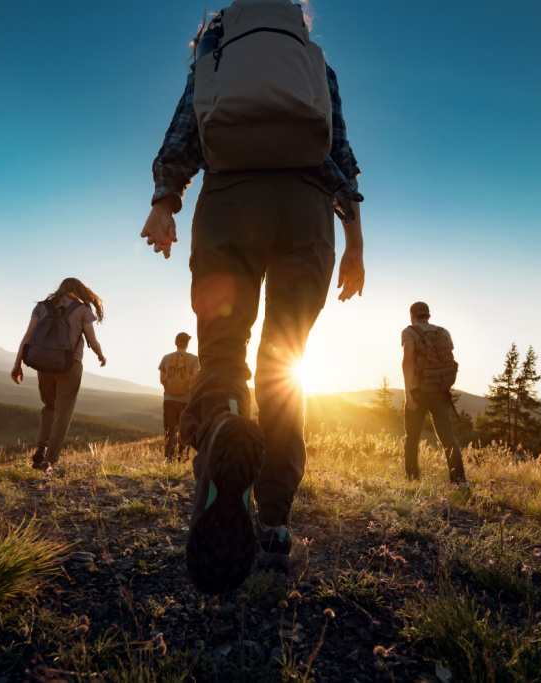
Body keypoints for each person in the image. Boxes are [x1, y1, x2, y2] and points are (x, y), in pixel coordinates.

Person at [140, 0, 365, 593]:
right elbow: (339, 154)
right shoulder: (313, 63)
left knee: (220, 351)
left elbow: (187, 127)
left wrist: (165, 200)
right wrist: (355, 245)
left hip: (229, 204)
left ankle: (219, 426)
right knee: (283, 365)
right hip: (307, 214)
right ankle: (273, 528)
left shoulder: (216, 52)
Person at [11, 278, 106, 471]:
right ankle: (50, 460)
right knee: (64, 412)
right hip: (70, 366)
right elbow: (92, 341)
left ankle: (41, 447)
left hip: (44, 363)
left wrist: (17, 363)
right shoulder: (82, 310)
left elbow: (28, 337)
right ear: (78, 290)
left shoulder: (41, 307)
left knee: (49, 406)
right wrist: (101, 356)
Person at [401, 301, 467, 484]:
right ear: (429, 316)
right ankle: (460, 483)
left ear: (411, 315)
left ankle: (413, 482)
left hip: (418, 391)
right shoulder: (443, 332)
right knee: (448, 438)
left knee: (412, 438)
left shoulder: (409, 332)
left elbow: (407, 361)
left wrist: (408, 392)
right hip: (440, 391)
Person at [159, 332, 201, 460]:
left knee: (169, 430)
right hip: (186, 401)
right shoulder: (194, 359)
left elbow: (162, 380)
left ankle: (169, 459)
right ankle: (182, 458)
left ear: (175, 343)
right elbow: (195, 379)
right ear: (187, 344)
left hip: (169, 399)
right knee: (184, 430)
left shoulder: (166, 358)